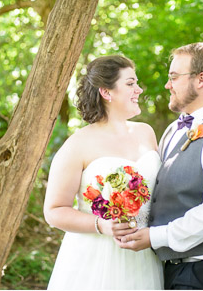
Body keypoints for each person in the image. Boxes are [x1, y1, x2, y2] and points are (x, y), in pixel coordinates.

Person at [116, 42, 203, 289]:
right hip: (174, 270)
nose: (167, 85)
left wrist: (155, 237)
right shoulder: (173, 129)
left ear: (201, 79)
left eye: (174, 77)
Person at [44, 55, 163, 289]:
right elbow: (54, 211)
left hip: (144, 253)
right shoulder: (77, 144)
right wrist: (103, 225)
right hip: (95, 258)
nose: (138, 89)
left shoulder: (146, 133)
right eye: (130, 83)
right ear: (106, 93)